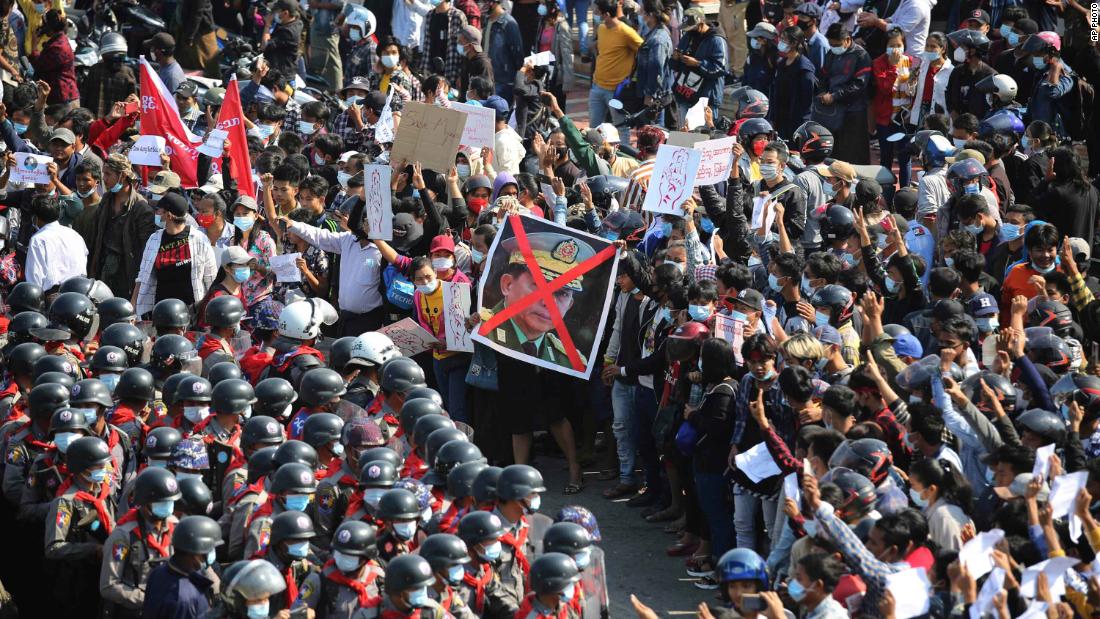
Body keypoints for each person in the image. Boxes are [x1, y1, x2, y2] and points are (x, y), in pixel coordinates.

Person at [131, 193, 218, 318]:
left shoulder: (199, 240)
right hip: (160, 311)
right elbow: (142, 277)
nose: (157, 213)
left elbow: (211, 280)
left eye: (159, 210)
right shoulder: (154, 239)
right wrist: (133, 306)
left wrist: (209, 313)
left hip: (190, 313)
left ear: (168, 215)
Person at [142, 516, 222, 619]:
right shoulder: (185, 599)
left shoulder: (159, 572)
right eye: (209, 550)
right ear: (195, 554)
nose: (212, 553)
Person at [814, 24, 872, 164]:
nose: (834, 47)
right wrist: (822, 92)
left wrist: (835, 96)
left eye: (837, 44)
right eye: (831, 44)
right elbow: (823, 76)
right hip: (832, 110)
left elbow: (859, 84)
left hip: (853, 111)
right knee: (834, 152)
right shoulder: (832, 53)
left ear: (847, 40)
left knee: (853, 153)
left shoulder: (861, 55)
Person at [587, 0, 642, 127]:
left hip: (616, 91)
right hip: (597, 86)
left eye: (598, 12)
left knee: (621, 127)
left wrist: (631, 73)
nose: (596, 15)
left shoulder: (626, 31)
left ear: (606, 14)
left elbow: (643, 49)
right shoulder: (601, 28)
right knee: (594, 129)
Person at [24, 193, 88, 293]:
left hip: (54, 296)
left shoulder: (38, 239)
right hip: (81, 291)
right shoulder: (74, 234)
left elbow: (34, 277)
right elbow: (84, 259)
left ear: (36, 217)